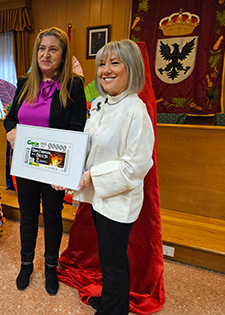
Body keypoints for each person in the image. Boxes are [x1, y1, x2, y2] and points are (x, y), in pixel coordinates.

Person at [53, 39, 155, 314]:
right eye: (101, 64)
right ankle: (114, 301)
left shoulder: (136, 110)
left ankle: (114, 309)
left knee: (113, 260)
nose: (105, 70)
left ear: (131, 68)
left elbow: (135, 166)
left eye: (115, 63)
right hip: (100, 198)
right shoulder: (100, 103)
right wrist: (65, 172)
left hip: (119, 200)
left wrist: (90, 177)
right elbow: (88, 147)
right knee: (108, 257)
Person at [4, 27, 86, 296]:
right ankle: (26, 264)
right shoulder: (24, 82)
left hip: (54, 167)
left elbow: (77, 127)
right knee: (27, 216)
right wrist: (10, 130)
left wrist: (66, 170)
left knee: (52, 216)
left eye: (53, 49)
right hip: (26, 164)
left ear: (63, 55)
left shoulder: (73, 85)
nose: (46, 54)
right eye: (42, 48)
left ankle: (51, 267)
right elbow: (11, 116)